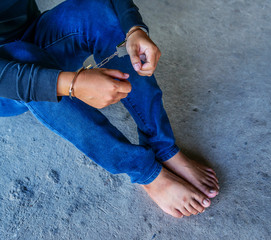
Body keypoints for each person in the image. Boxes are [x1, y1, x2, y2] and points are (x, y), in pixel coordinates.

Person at [0, 0, 219, 218]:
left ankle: (162, 146)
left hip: (32, 32)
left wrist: (134, 29)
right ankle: (145, 172)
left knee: (96, 10)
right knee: (26, 61)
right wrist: (71, 84)